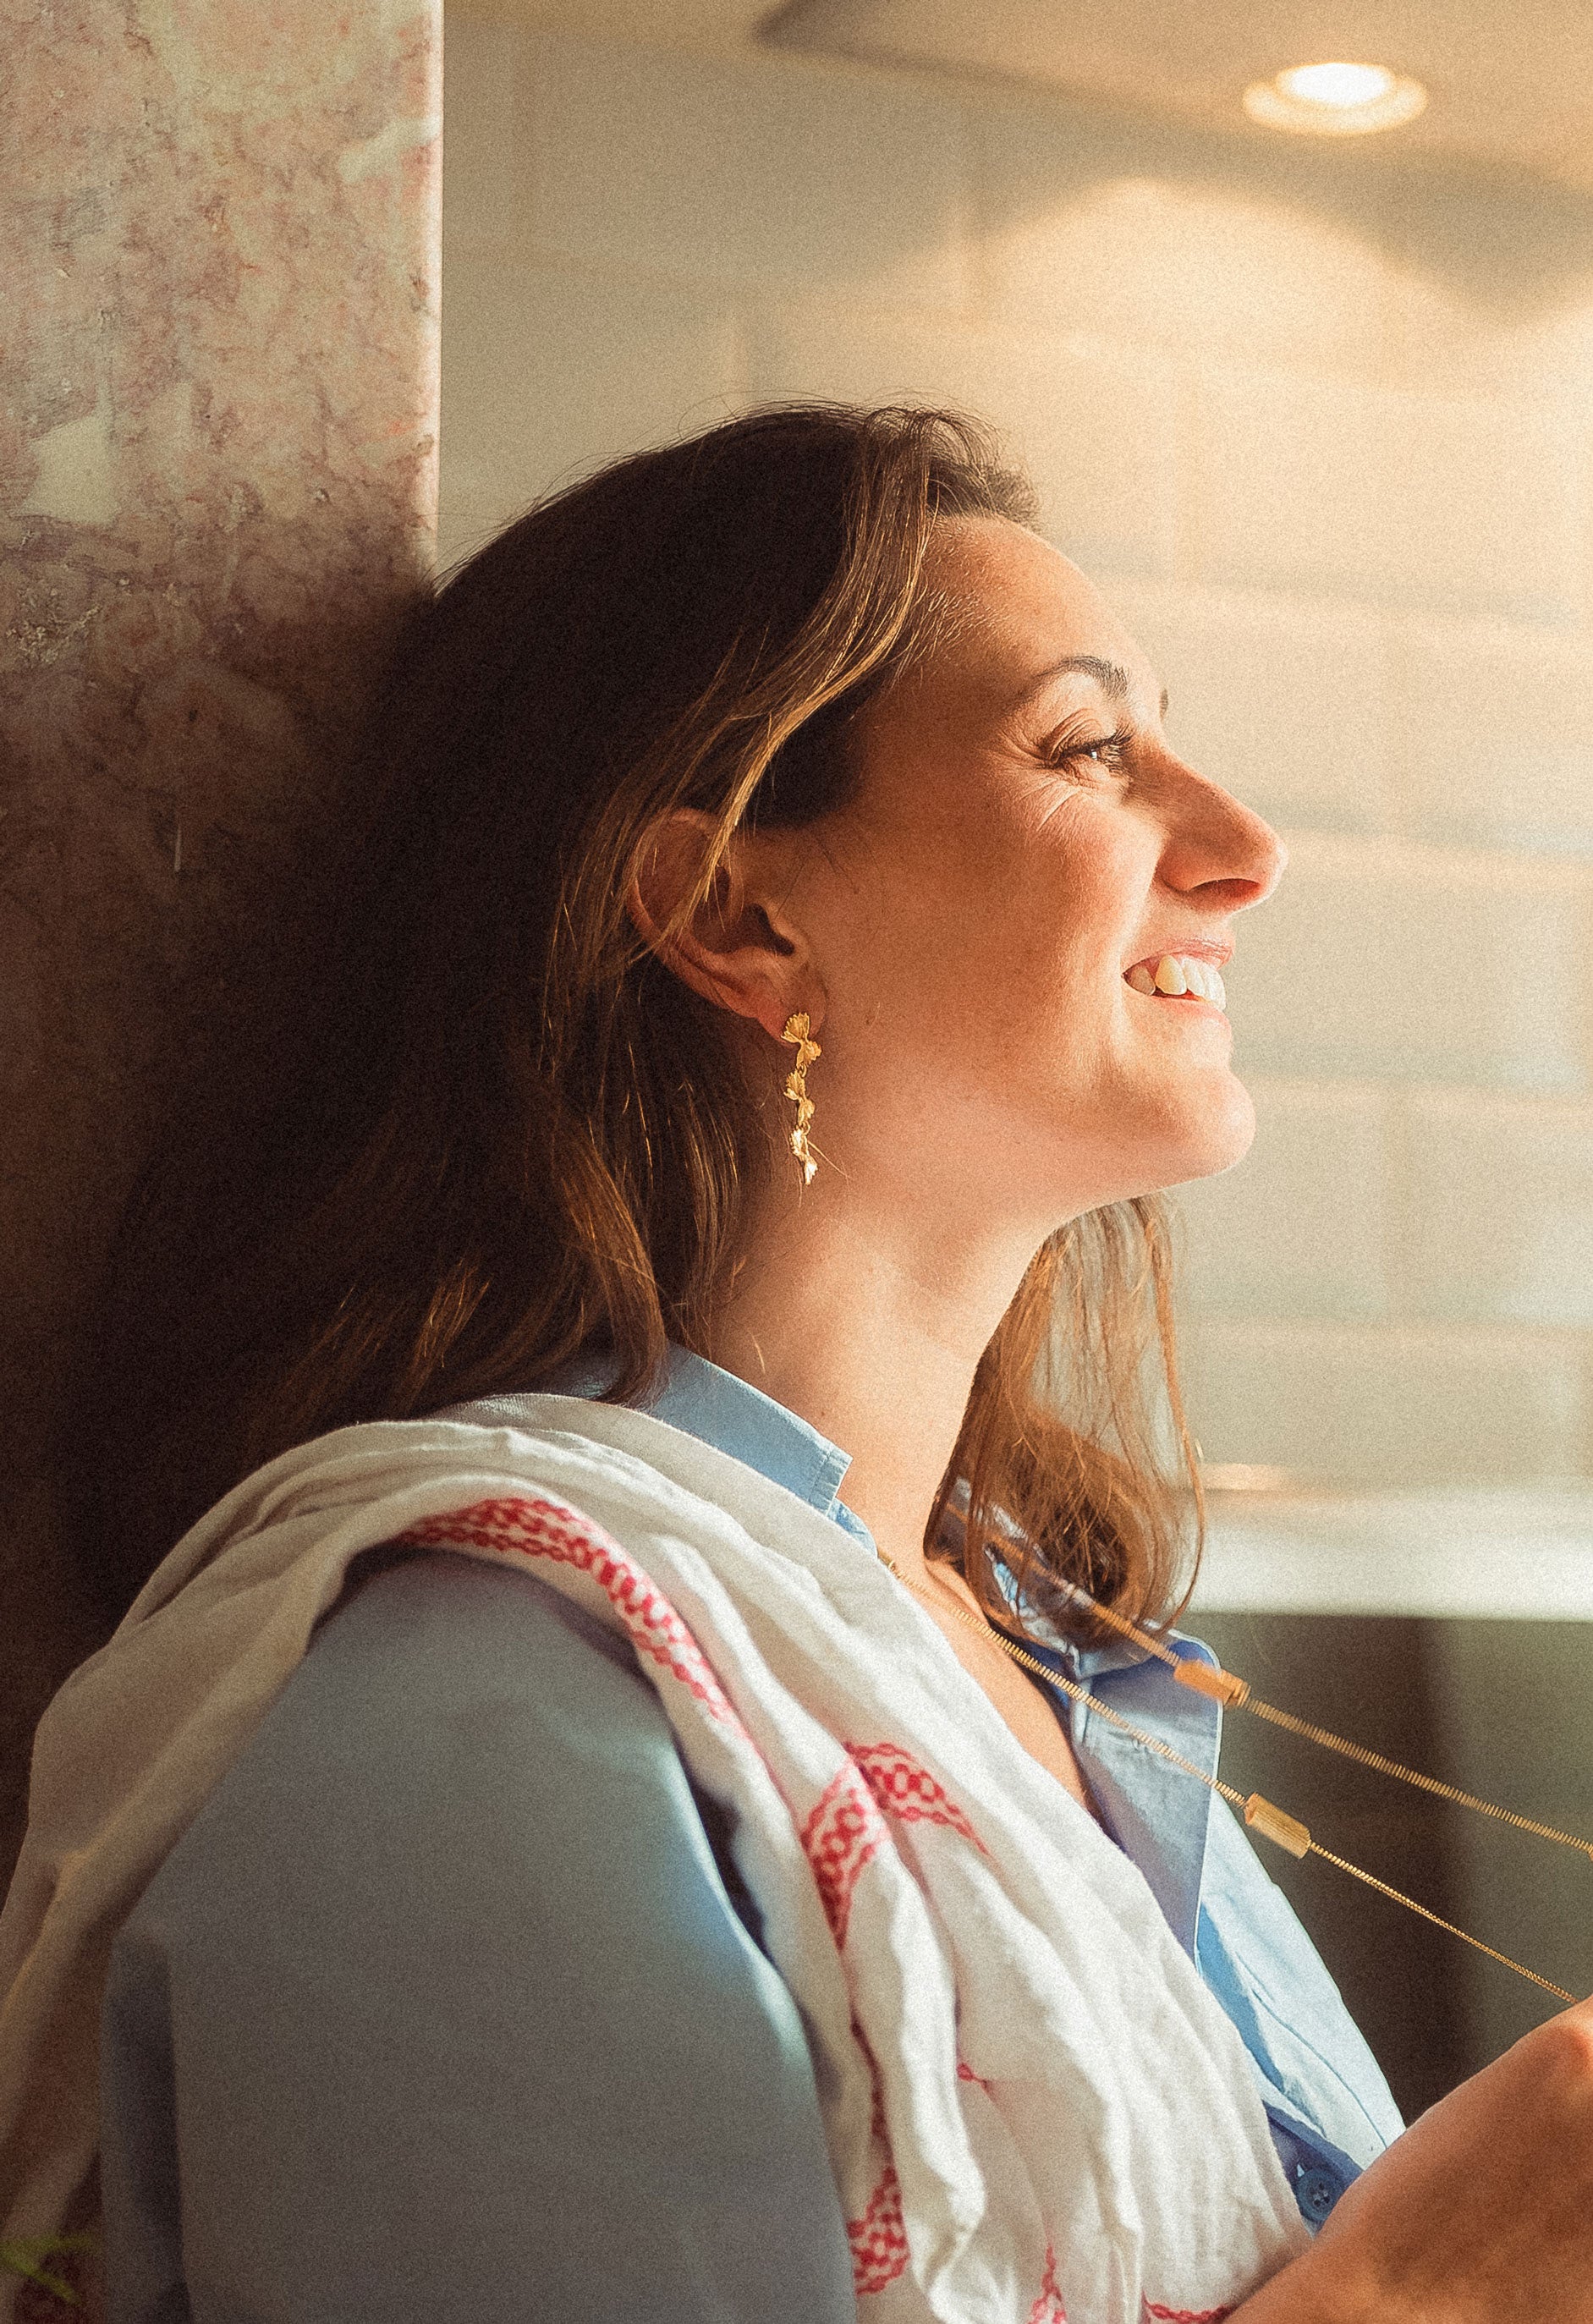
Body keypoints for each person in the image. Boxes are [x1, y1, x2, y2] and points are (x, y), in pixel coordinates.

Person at [4, 404, 1593, 2324]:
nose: (1244, 851)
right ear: (735, 913)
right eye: (1094, 748)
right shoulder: (481, 1722)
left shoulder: (1033, 1656)